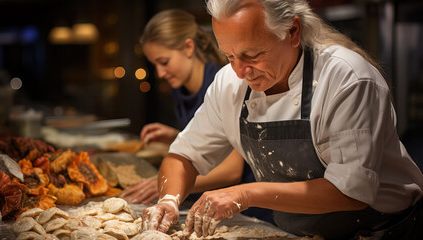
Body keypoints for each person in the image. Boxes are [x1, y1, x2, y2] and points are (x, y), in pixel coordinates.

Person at [140, 0, 423, 239]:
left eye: (252, 55)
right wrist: (168, 200)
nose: (240, 71)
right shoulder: (229, 83)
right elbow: (182, 156)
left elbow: (350, 192)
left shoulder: (347, 78)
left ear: (292, 32)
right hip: (297, 232)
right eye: (229, 55)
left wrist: (245, 194)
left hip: (383, 229)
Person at [120, 9, 274, 224]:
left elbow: (231, 170)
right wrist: (177, 137)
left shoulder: (225, 83)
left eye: (164, 62)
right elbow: (206, 141)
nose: (160, 73)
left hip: (251, 210)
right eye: (155, 64)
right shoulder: (180, 90)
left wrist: (167, 186)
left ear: (189, 47)